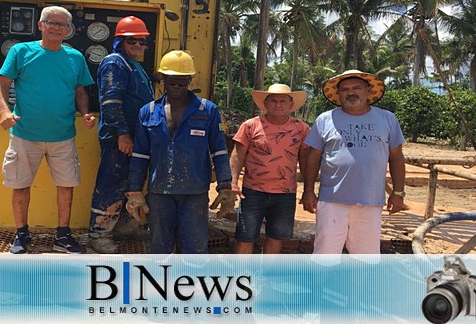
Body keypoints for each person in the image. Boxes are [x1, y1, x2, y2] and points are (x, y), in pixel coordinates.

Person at [0, 6, 96, 254]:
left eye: (62, 24)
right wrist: (5, 111)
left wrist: (85, 114)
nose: (56, 27)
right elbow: (2, 84)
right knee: (21, 185)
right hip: (24, 134)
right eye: (51, 22)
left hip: (63, 136)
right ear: (40, 25)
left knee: (66, 185)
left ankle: (63, 236)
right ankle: (21, 235)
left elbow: (80, 91)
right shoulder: (21, 51)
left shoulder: (75, 58)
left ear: (68, 30)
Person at [124, 50, 236, 254]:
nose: (177, 86)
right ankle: (161, 282)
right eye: (172, 81)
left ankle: (190, 283)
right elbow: (140, 155)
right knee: (160, 246)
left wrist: (225, 186)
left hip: (194, 192)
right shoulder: (147, 112)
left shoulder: (207, 110)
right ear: (163, 80)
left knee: (194, 246)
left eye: (182, 82)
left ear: (190, 80)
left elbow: (219, 151)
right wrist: (134, 191)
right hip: (159, 193)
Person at [300, 70, 407, 254]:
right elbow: (313, 157)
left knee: (365, 255)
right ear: (339, 94)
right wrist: (308, 191)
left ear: (368, 91)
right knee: (325, 252)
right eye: (345, 89)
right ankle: (320, 284)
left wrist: (398, 192)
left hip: (370, 200)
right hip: (331, 200)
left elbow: (396, 157)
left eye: (357, 88)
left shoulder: (387, 118)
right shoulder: (325, 119)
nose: (351, 92)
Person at [89, 16, 154, 244]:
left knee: (130, 182)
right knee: (112, 182)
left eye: (141, 41)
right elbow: (111, 101)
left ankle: (124, 227)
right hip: (119, 137)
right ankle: (100, 235)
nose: (137, 45)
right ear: (120, 42)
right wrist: (122, 133)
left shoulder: (133, 66)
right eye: (131, 41)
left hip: (135, 136)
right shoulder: (115, 63)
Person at [231, 84, 310, 254]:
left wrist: (308, 189)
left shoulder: (301, 129)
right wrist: (233, 182)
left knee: (276, 237)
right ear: (265, 104)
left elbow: (305, 159)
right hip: (252, 191)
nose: (278, 104)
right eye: (273, 100)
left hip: (285, 194)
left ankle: (266, 276)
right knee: (245, 236)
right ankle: (241, 276)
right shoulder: (250, 126)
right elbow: (237, 155)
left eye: (283, 101)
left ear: (291, 105)